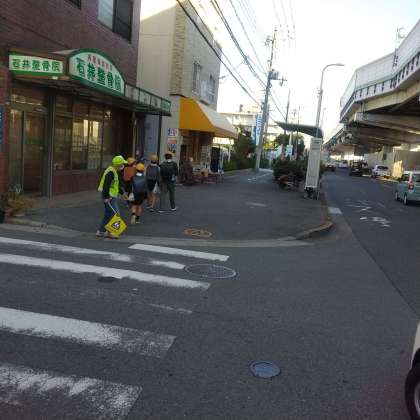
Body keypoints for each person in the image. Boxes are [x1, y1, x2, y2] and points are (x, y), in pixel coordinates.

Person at [97, 155, 128, 238]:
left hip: (111, 195)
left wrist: (122, 193)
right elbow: (106, 185)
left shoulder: (114, 171)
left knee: (108, 213)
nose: (123, 166)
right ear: (118, 165)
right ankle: (112, 232)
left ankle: (101, 231)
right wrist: (106, 197)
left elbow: (116, 184)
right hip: (109, 196)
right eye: (122, 164)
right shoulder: (111, 172)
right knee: (116, 213)